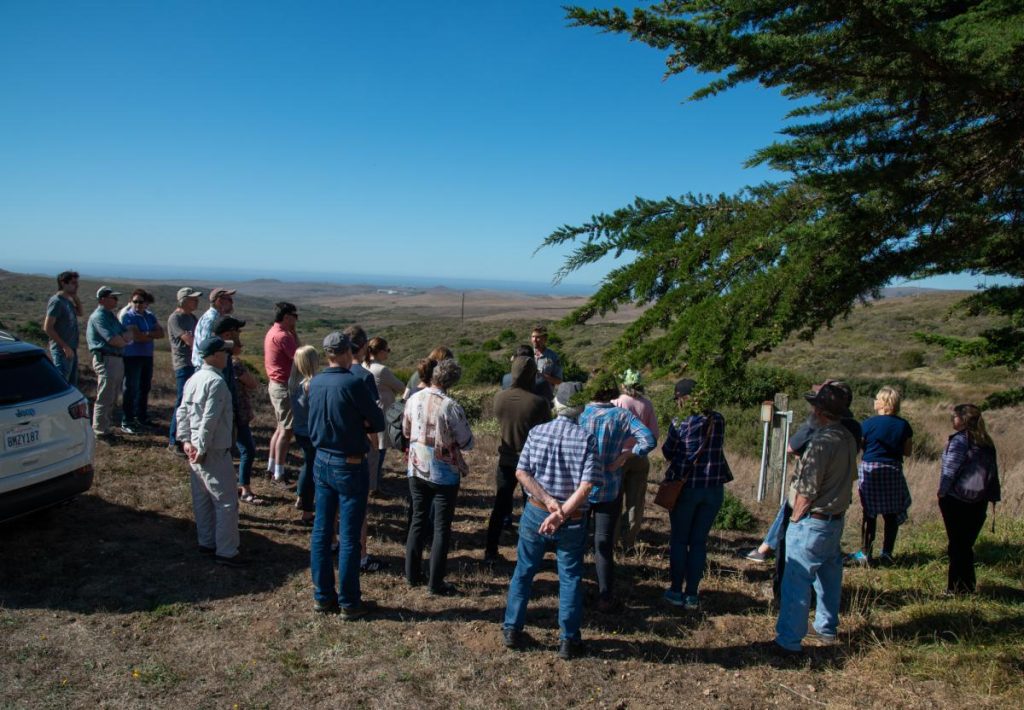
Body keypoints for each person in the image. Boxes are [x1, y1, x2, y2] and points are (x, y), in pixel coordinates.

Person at [502, 382, 599, 660]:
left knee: (524, 571)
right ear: (580, 408)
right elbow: (586, 485)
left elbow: (522, 473)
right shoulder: (586, 439)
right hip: (573, 518)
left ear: (556, 404)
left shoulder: (538, 432)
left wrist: (548, 503)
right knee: (569, 577)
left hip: (536, 513)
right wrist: (561, 513)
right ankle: (568, 640)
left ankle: (512, 628)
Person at [774, 383, 858, 654]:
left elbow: (807, 489)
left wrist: (797, 518)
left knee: (796, 580)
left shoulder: (822, 442)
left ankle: (788, 642)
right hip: (834, 519)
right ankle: (826, 627)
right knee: (829, 577)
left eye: (814, 406)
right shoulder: (846, 437)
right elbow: (850, 478)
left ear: (820, 411)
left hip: (814, 519)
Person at [308, 331, 385, 619]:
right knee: (350, 536)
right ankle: (350, 602)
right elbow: (376, 421)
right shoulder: (353, 382)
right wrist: (359, 421)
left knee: (322, 530)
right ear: (346, 351)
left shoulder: (315, 382)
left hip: (322, 459)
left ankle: (323, 596)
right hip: (349, 463)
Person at [578, 372, 655, 613]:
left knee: (577, 543)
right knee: (604, 546)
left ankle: (573, 592)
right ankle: (605, 596)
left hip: (580, 490)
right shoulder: (621, 416)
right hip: (609, 488)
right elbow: (649, 439)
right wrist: (626, 455)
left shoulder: (581, 414)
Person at [403, 357, 474, 595]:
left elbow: (406, 429)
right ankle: (436, 583)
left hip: (416, 466)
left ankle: (412, 575)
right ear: (451, 382)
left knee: (418, 519)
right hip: (443, 473)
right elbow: (467, 442)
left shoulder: (413, 398)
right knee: (441, 528)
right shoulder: (450, 406)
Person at [660, 378, 732, 610]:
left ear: (683, 398)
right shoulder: (718, 419)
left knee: (680, 540)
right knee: (699, 542)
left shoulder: (681, 422)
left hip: (687, 487)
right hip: (713, 487)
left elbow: (668, 451)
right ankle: (692, 594)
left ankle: (675, 591)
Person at [177, 336, 243, 567]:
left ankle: (206, 541)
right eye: (223, 353)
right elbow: (209, 419)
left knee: (202, 498)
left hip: (195, 448)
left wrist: (186, 441)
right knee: (225, 501)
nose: (227, 356)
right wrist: (201, 448)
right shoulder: (216, 382)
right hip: (212, 449)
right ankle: (226, 551)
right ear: (214, 356)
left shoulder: (193, 379)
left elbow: (182, 412)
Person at [487, 354, 550, 562]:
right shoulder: (538, 403)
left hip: (505, 459)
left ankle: (490, 550)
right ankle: (528, 553)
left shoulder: (499, 398)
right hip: (530, 464)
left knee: (500, 505)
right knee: (531, 508)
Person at [938, 404, 1001, 595]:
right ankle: (967, 586)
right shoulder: (986, 442)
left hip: (956, 499)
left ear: (963, 420)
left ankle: (955, 588)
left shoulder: (959, 441)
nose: (952, 420)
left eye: (955, 417)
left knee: (957, 545)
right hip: (979, 500)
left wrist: (942, 492)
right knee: (965, 545)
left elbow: (950, 470)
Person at [849, 386, 913, 566]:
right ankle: (887, 553)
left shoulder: (867, 424)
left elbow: (859, 447)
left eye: (877, 398)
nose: (875, 401)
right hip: (892, 469)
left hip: (870, 469)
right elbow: (907, 451)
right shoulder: (903, 425)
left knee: (869, 513)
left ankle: (865, 553)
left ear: (884, 402)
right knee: (891, 514)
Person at [213, 316, 260, 505]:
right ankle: (242, 488)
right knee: (246, 449)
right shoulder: (232, 363)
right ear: (227, 335)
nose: (240, 335)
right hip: (233, 414)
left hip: (232, 414)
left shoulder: (222, 360)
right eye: (236, 332)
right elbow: (252, 383)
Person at [611, 368, 660, 553]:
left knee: (614, 500)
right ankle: (629, 542)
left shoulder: (616, 402)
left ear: (624, 384)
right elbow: (653, 435)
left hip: (618, 457)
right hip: (639, 457)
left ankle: (613, 541)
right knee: (636, 501)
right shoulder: (647, 405)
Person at [86, 286, 133, 441]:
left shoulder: (110, 316)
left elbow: (127, 334)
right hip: (106, 358)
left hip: (116, 359)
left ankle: (105, 427)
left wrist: (123, 338)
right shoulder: (99, 317)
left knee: (112, 395)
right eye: (112, 297)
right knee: (105, 395)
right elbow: (116, 340)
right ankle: (99, 430)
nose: (116, 300)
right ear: (102, 299)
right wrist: (123, 339)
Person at [120, 288, 165, 433]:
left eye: (141, 302)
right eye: (135, 301)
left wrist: (145, 334)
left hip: (146, 355)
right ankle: (127, 420)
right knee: (131, 388)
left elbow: (161, 333)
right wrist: (150, 335)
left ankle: (141, 416)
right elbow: (137, 337)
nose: (137, 304)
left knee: (144, 387)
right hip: (132, 356)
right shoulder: (128, 316)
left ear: (146, 303)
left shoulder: (150, 316)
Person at [265, 302, 300, 484]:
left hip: (276, 384)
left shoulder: (273, 332)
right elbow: (300, 358)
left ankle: (272, 467)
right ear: (287, 317)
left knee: (280, 428)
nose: (296, 320)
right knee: (286, 431)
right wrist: (294, 334)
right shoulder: (283, 336)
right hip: (283, 386)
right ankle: (278, 473)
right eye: (295, 316)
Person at [166, 287, 202, 454]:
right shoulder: (176, 318)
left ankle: (186, 438)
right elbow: (191, 340)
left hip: (192, 364)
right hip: (183, 364)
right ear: (183, 300)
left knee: (191, 402)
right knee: (182, 402)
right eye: (193, 299)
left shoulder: (192, 317)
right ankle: (174, 440)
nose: (196, 301)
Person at [366, 336, 405, 485]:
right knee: (380, 449)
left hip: (368, 412)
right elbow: (401, 387)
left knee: (370, 449)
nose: (388, 353)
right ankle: (373, 484)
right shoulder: (381, 370)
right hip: (382, 413)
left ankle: (371, 481)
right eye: (387, 350)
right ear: (380, 352)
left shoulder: (364, 365)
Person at [290, 344, 319, 524]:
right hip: (311, 432)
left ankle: (301, 497)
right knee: (311, 470)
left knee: (307, 465)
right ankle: (308, 511)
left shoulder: (294, 382)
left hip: (300, 430)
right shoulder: (311, 384)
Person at [43, 270, 82, 386]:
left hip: (71, 349)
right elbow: (48, 327)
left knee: (71, 384)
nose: (77, 285)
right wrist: (64, 346)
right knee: (62, 384)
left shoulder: (67, 301)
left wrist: (76, 298)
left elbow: (80, 312)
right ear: (63, 283)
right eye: (73, 283)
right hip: (62, 351)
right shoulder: (56, 302)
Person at [192, 287, 236, 368]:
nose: (232, 302)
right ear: (219, 301)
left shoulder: (213, 318)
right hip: (206, 368)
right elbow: (207, 347)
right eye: (229, 300)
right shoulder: (211, 320)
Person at [530, 325, 563, 403]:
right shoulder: (527, 354)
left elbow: (558, 381)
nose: (534, 340)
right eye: (533, 337)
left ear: (545, 339)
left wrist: (542, 376)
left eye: (538, 337)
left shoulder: (553, 357)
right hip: (528, 397)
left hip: (545, 399)